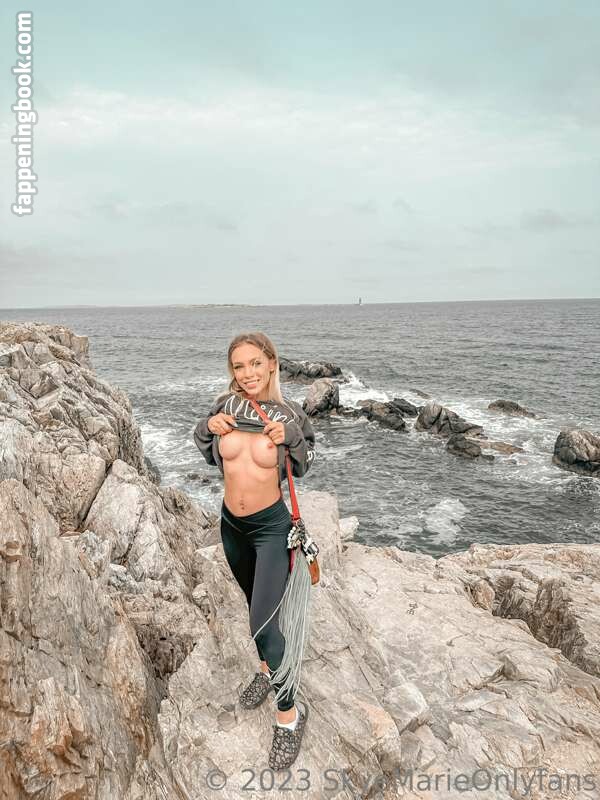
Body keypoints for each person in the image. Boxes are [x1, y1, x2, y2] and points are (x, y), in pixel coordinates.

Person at [193, 331, 316, 770]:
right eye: (238, 366)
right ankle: (267, 668)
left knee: (262, 622)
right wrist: (208, 427)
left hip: (270, 530)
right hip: (232, 526)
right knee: (255, 605)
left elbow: (305, 463)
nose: (247, 373)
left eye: (255, 364)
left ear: (272, 363)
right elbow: (207, 448)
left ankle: (289, 715)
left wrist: (290, 438)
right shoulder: (225, 405)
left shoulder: (291, 414)